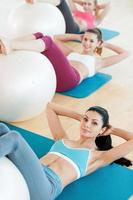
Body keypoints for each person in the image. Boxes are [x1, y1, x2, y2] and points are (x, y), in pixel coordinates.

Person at [0, 103, 133, 200]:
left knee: (14, 138)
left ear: (102, 130)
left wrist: (112, 130)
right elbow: (50, 107)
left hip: (46, 188)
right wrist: (80, 116)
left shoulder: (98, 157)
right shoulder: (62, 139)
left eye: (94, 123)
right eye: (86, 120)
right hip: (31, 172)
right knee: (3, 128)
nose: (87, 124)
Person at [0, 28, 129, 92]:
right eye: (85, 39)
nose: (87, 43)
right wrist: (78, 36)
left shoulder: (99, 62)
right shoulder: (71, 53)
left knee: (48, 42)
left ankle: (10, 45)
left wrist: (104, 43)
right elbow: (56, 37)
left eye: (91, 41)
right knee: (40, 35)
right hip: (55, 76)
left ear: (98, 43)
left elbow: (125, 53)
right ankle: (7, 43)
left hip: (70, 80)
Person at [25, 0, 110, 33]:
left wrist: (97, 7)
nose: (86, 6)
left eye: (89, 4)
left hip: (73, 29)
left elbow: (108, 5)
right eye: (85, 4)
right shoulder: (77, 12)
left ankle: (36, 1)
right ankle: (37, 3)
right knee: (58, 4)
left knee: (60, 1)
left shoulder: (96, 20)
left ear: (95, 6)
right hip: (63, 26)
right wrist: (81, 2)